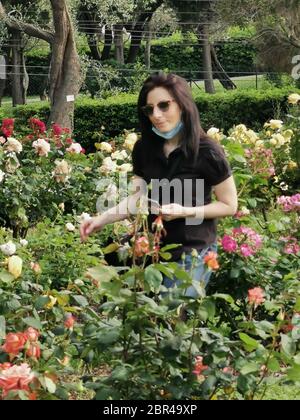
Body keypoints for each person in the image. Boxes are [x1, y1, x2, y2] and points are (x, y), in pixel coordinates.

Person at [80, 72, 237, 297]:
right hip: (155, 250)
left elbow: (229, 205)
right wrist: (101, 220)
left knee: (171, 313)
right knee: (148, 319)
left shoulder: (207, 152)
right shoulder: (145, 149)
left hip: (194, 252)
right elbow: (137, 198)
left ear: (182, 104)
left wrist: (186, 211)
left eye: (164, 106)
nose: (156, 115)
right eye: (149, 109)